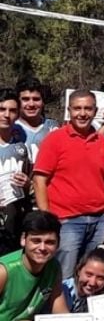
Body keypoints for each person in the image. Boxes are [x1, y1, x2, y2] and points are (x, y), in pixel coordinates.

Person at [32, 90, 104, 279]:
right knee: (63, 277)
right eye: (77, 108)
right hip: (66, 221)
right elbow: (40, 179)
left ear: (95, 111)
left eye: (88, 108)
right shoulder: (55, 140)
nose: (82, 113)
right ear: (69, 110)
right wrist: (47, 218)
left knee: (93, 277)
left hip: (99, 221)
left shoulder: (103, 143)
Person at [0, 88, 32, 256]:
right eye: (2, 109)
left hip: (14, 224)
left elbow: (29, 189)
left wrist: (27, 185)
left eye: (12, 110)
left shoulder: (21, 148)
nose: (7, 115)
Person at [12, 76, 58, 163]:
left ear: (43, 102)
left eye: (36, 99)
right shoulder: (9, 129)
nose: (31, 104)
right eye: (25, 99)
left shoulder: (53, 127)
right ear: (17, 102)